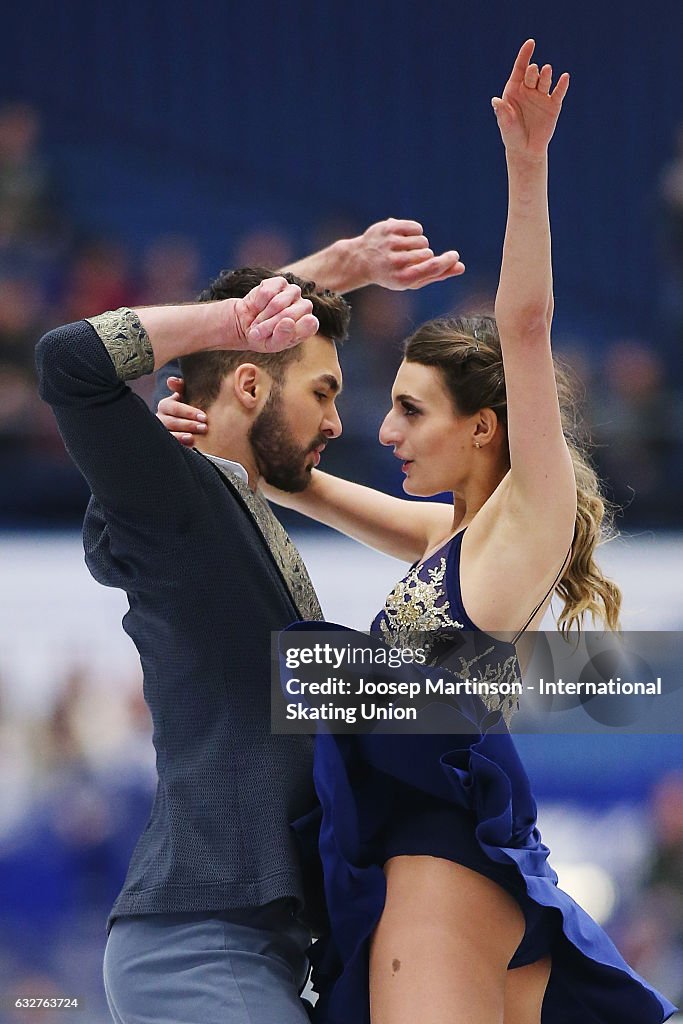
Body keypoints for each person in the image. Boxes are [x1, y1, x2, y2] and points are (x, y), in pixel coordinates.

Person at [159, 41, 677, 1023]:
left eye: (410, 410)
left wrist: (526, 171)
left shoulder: (527, 517)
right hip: (414, 883)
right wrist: (192, 425)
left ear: (483, 426)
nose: (383, 430)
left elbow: (521, 327)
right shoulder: (444, 537)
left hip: (445, 879)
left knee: (302, 662)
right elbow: (280, 476)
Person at [35, 220, 464, 1024]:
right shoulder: (178, 500)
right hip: (201, 939)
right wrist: (239, 322)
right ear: (248, 387)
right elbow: (69, 362)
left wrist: (330, 273)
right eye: (324, 392)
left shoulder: (215, 503)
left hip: (242, 941)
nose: (341, 424)